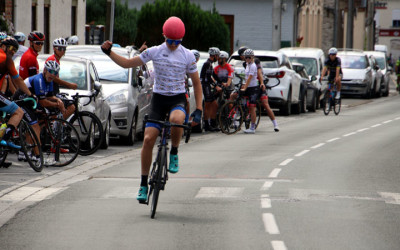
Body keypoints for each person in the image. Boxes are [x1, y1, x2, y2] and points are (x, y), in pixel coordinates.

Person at [101, 16, 203, 202]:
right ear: (164, 36)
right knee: (148, 139)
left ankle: (173, 152)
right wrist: (109, 53)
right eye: (170, 41)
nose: (173, 45)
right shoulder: (155, 52)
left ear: (182, 40)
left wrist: (199, 109)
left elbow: (196, 83)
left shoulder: (187, 55)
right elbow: (127, 63)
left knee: (177, 120)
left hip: (177, 98)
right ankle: (143, 183)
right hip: (159, 98)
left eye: (177, 42)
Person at [14, 61, 66, 160]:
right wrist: (57, 105)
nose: (52, 74)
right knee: (35, 125)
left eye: (55, 73)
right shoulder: (39, 80)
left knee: (40, 122)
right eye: (50, 71)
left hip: (31, 103)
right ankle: (36, 155)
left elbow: (50, 96)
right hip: (21, 102)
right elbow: (43, 102)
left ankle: (24, 150)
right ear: (45, 70)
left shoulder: (49, 80)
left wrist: (58, 100)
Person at [0, 37, 36, 149]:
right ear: (3, 47)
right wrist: (30, 95)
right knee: (18, 112)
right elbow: (17, 80)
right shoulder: (6, 59)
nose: (13, 51)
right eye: (11, 48)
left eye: (15, 50)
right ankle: (5, 138)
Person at [45, 38, 77, 119]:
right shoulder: (52, 60)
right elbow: (54, 78)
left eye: (64, 49)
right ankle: (56, 124)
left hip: (53, 89)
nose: (62, 51)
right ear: (54, 49)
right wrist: (69, 85)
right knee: (71, 107)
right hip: (50, 90)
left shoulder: (56, 60)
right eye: (59, 48)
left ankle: (56, 124)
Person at [200, 47, 220, 132]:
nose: (218, 58)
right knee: (208, 105)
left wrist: (221, 83)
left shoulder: (211, 64)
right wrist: (216, 85)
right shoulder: (207, 63)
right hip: (206, 86)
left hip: (208, 85)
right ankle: (207, 125)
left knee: (214, 104)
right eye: (218, 56)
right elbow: (208, 77)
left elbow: (214, 75)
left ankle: (212, 123)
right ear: (214, 55)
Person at [240, 49, 260, 134]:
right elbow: (245, 77)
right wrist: (243, 85)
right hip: (247, 87)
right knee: (236, 97)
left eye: (249, 57)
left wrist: (245, 87)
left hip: (253, 88)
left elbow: (249, 78)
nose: (247, 59)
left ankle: (252, 128)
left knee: (252, 107)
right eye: (246, 57)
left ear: (252, 57)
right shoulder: (247, 64)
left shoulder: (253, 66)